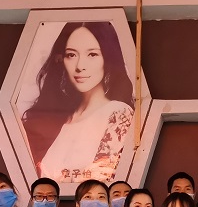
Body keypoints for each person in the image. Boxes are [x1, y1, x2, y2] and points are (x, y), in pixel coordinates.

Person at [22, 22, 134, 184]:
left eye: (92, 54)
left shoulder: (118, 113)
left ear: (108, 58)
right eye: (71, 55)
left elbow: (105, 177)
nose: (80, 66)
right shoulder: (60, 119)